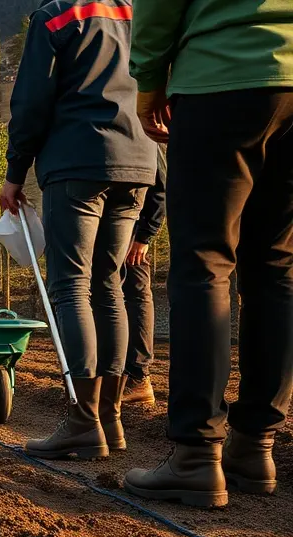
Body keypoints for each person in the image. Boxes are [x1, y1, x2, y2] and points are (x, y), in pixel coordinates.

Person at [124, 0, 293, 508]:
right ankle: (255, 448)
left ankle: (198, 456)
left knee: (204, 262)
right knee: (279, 266)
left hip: (222, 76)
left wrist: (150, 80)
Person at [0, 0, 157, 460]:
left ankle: (82, 422)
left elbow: (31, 100)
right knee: (109, 285)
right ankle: (110, 419)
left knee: (71, 285)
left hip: (78, 161)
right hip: (138, 162)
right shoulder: (137, 13)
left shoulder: (57, 16)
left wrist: (15, 171)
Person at [122, 150, 166, 407]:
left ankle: (138, 377)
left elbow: (160, 183)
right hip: (110, 223)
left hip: (132, 227)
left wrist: (144, 236)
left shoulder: (142, 124)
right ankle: (120, 376)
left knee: (137, 295)